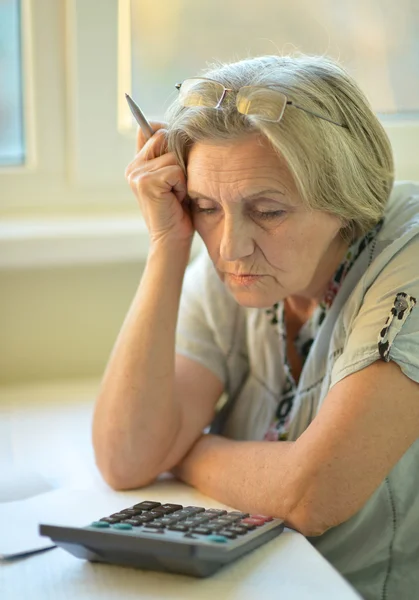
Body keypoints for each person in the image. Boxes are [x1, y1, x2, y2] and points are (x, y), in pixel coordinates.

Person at [92, 54, 419, 599]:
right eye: (204, 206)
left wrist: (184, 448)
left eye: (268, 211)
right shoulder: (234, 255)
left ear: (347, 195)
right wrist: (167, 243)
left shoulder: (408, 264)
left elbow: (312, 494)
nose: (229, 247)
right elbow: (126, 458)